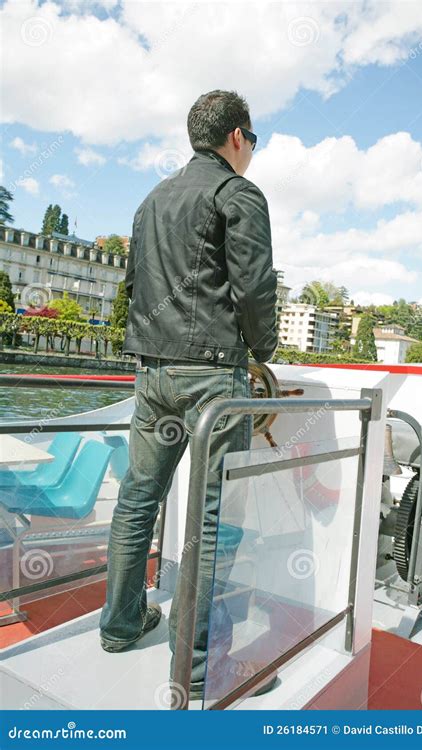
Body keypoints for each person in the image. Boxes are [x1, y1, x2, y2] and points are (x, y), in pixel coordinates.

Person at [99, 89, 278, 701]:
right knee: (213, 523)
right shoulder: (238, 194)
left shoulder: (152, 200)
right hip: (211, 382)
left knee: (136, 503)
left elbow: (132, 284)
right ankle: (200, 668)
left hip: (152, 377)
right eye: (253, 140)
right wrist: (265, 351)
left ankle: (120, 625)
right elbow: (254, 289)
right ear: (236, 136)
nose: (252, 151)